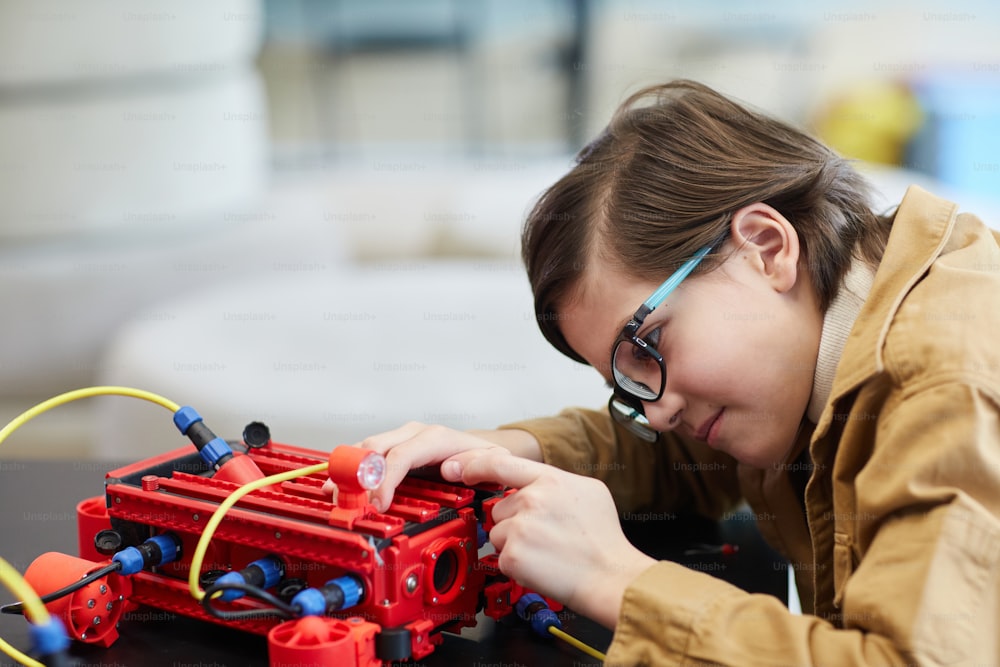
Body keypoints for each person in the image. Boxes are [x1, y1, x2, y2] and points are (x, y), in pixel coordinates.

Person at [351, 80, 1000, 665]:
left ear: (766, 249)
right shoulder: (820, 339)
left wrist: (616, 577)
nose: (657, 410)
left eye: (649, 342)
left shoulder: (943, 381)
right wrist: (501, 453)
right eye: (626, 380)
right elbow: (672, 458)